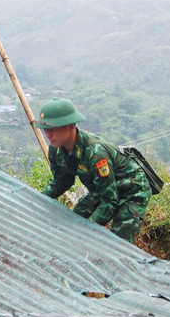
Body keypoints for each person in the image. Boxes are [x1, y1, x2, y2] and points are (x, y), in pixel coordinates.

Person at [33, 99, 151, 243]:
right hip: (101, 191)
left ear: (70, 125)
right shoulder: (56, 149)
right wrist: (37, 200)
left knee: (118, 244)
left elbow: (109, 201)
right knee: (73, 224)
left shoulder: (95, 153)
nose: (48, 135)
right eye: (45, 129)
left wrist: (86, 232)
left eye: (52, 129)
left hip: (131, 191)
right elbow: (62, 181)